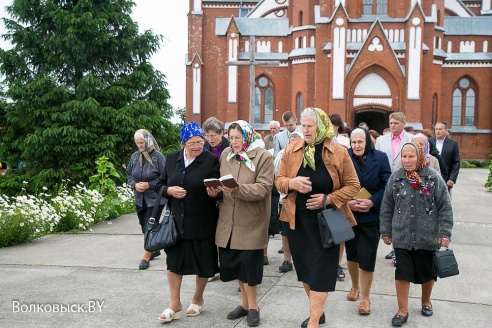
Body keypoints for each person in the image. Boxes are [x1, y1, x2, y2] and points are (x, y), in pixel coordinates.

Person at [275, 107, 360, 328]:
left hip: (327, 221)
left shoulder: (339, 152)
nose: (306, 130)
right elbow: (279, 180)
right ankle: (318, 312)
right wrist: (291, 183)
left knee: (321, 271)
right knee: (305, 271)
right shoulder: (292, 149)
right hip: (298, 220)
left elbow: (354, 185)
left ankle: (313, 322)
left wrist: (329, 199)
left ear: (321, 126)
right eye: (303, 126)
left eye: (310, 126)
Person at [380, 142, 453, 327]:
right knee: (402, 272)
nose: (407, 160)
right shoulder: (396, 178)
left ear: (420, 156)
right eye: (404, 156)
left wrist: (445, 232)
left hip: (428, 235)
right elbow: (387, 205)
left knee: (427, 272)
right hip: (402, 234)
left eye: (411, 156)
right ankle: (402, 310)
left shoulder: (433, 178)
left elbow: (445, 207)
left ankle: (426, 301)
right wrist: (386, 230)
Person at [155, 122, 221, 323]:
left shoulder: (210, 160)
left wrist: (214, 193)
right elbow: (159, 184)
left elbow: (217, 187)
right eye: (192, 143)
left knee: (203, 263)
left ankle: (198, 298)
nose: (197, 146)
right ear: (183, 143)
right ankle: (175, 304)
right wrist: (169, 191)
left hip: (202, 221)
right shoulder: (172, 158)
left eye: (200, 142)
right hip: (177, 222)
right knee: (174, 262)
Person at [214, 120, 274, 327]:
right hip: (229, 219)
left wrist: (237, 189)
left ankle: (254, 306)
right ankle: (244, 303)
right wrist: (215, 190)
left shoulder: (263, 156)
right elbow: (222, 181)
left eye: (238, 137)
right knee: (236, 265)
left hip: (252, 220)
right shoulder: (225, 155)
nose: (234, 142)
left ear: (247, 136)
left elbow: (264, 189)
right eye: (230, 138)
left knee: (249, 267)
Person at [346, 128, 391, 315]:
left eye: (360, 142)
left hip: (371, 216)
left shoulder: (380, 158)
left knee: (367, 256)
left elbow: (386, 184)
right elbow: (336, 183)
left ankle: (365, 297)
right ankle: (354, 286)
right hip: (349, 214)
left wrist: (372, 201)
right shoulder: (344, 156)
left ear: (367, 142)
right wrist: (347, 202)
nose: (356, 145)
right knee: (351, 254)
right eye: (353, 142)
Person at [126, 129, 167, 270]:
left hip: (155, 198)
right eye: (137, 143)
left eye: (142, 142)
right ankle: (154, 249)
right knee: (144, 225)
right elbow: (129, 176)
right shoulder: (134, 157)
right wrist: (135, 184)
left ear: (148, 141)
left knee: (150, 225)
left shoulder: (158, 157)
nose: (140, 146)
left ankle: (145, 256)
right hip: (140, 198)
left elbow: (165, 178)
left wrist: (149, 184)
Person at [375, 112, 413, 262]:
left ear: (403, 124)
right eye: (391, 123)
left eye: (396, 123)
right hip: (385, 182)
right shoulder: (381, 140)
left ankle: (396, 250)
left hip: (404, 181)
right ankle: (388, 240)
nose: (392, 125)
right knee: (387, 212)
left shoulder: (410, 139)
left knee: (401, 215)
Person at [274, 131, 304, 273]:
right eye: (290, 143)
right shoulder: (281, 156)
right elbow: (276, 176)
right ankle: (287, 259)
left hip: (303, 201)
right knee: (285, 232)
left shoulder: (306, 155)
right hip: (285, 199)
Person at [328, 113, 350, 279]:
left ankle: (337, 264)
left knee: (339, 230)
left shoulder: (343, 143)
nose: (332, 127)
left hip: (339, 190)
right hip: (326, 190)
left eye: (334, 125)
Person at [428, 122, 460, 192]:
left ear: (446, 130)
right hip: (430, 179)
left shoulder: (453, 143)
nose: (438, 131)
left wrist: (452, 179)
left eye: (440, 129)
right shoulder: (429, 141)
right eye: (436, 129)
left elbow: (456, 162)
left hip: (446, 180)